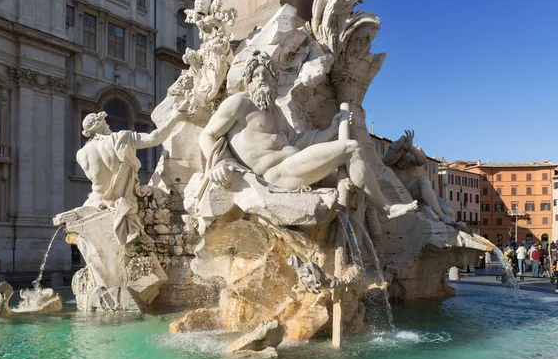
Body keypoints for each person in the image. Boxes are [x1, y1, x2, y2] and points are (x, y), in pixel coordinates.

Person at [199, 51, 418, 221]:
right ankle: (386, 209)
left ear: (274, 80)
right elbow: (207, 133)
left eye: (266, 74)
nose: (261, 78)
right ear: (249, 80)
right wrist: (217, 163)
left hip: (293, 165)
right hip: (275, 175)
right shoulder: (239, 103)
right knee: (351, 148)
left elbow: (298, 141)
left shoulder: (275, 112)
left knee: (356, 187)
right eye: (256, 75)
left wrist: (331, 131)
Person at [77, 108, 184, 244]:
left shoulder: (81, 154)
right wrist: (175, 118)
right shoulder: (119, 138)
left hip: (95, 201)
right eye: (106, 123)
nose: (109, 125)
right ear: (101, 126)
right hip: (121, 200)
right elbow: (154, 138)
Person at [382, 131, 454, 224]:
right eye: (401, 151)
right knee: (423, 179)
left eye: (404, 151)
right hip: (403, 195)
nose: (403, 154)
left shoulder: (410, 160)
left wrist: (411, 148)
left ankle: (444, 217)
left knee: (444, 205)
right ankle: (441, 215)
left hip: (418, 193)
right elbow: (385, 161)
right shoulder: (389, 164)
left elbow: (423, 160)